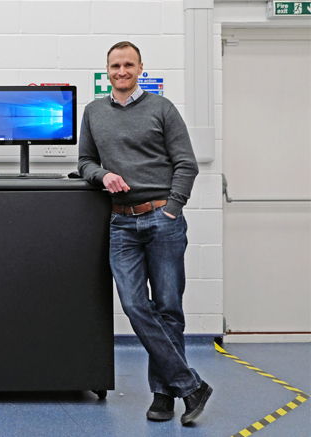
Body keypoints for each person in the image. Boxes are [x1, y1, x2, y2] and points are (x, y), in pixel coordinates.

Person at [78, 41, 211, 425]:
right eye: (115, 65)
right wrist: (103, 175)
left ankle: (163, 397)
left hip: (161, 219)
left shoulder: (162, 109)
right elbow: (85, 161)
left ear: (140, 68)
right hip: (121, 222)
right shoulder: (94, 112)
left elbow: (187, 164)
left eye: (129, 65)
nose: (122, 71)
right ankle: (192, 386)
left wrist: (172, 208)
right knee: (136, 305)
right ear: (107, 71)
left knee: (168, 308)